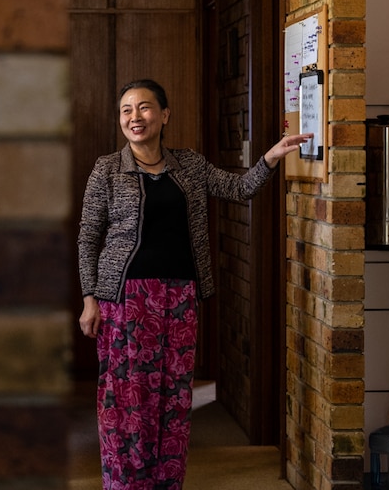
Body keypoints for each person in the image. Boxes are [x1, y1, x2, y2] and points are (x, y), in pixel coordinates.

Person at [77, 79, 311, 490]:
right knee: (128, 399)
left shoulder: (189, 165)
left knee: (174, 397)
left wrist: (271, 157)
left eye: (145, 108)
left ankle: (167, 482)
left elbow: (238, 189)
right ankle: (126, 484)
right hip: (125, 300)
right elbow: (88, 236)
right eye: (126, 110)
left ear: (164, 115)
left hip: (180, 296)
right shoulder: (107, 169)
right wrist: (89, 298)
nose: (135, 117)